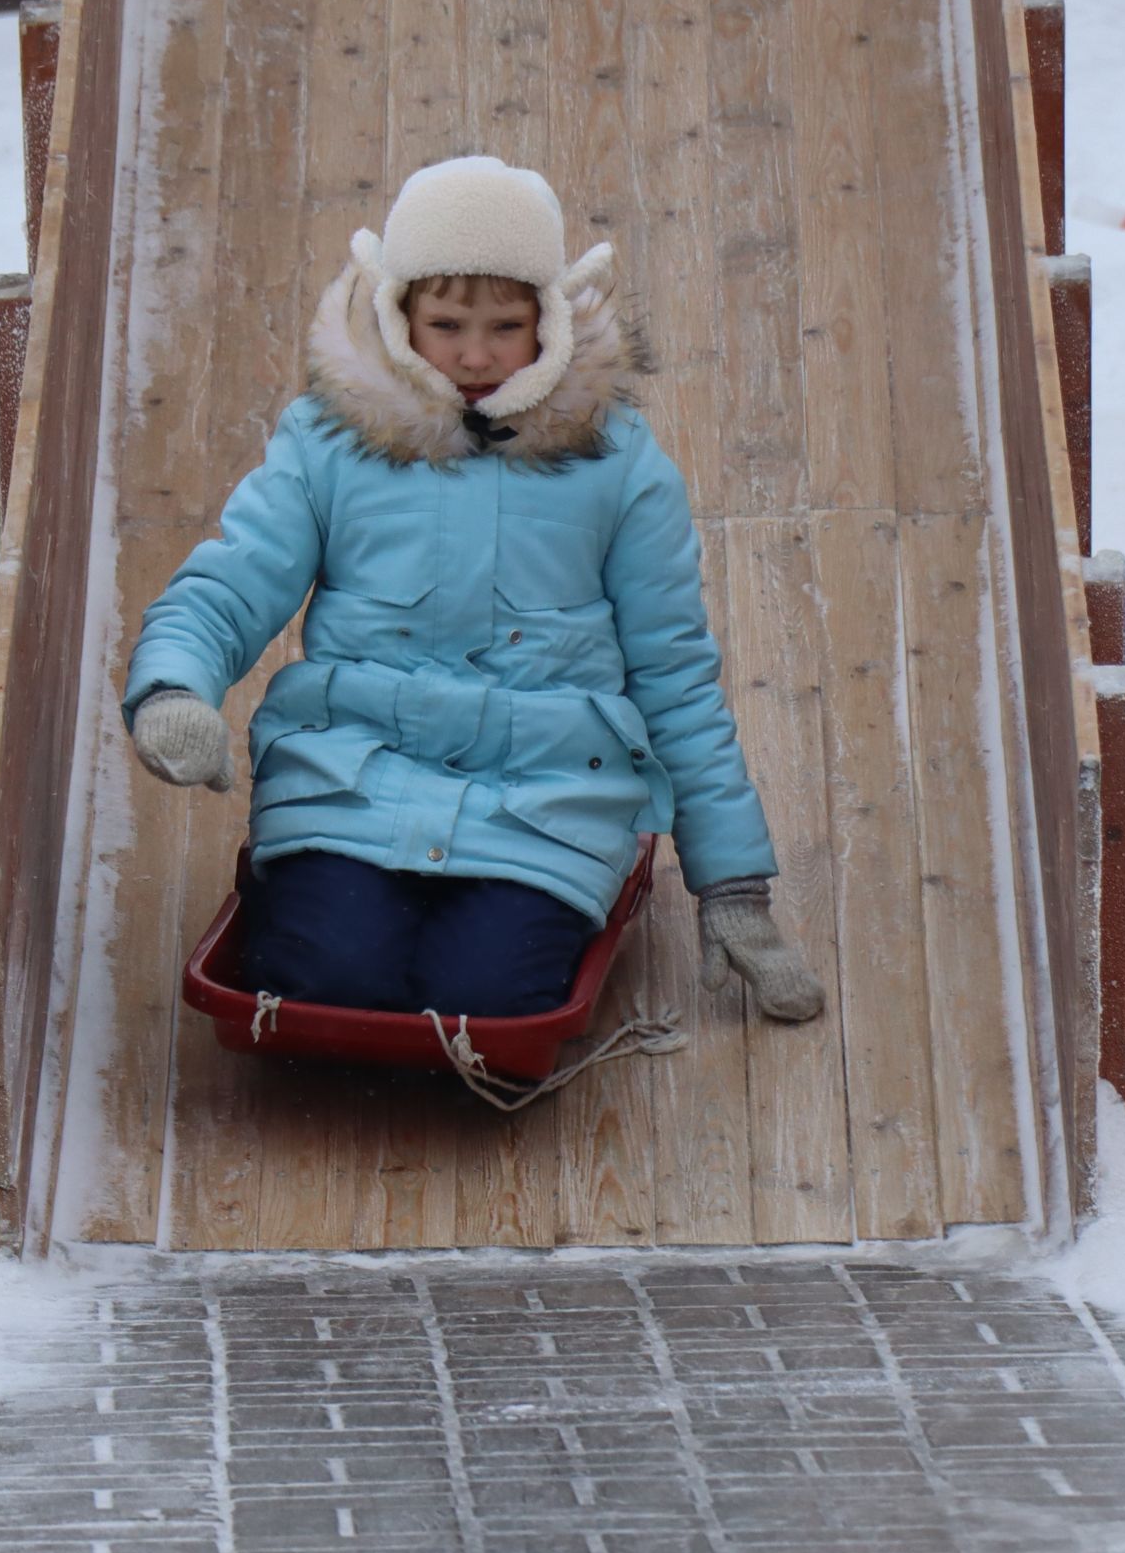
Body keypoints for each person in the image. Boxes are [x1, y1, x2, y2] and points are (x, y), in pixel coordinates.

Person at [123, 156, 823, 1025]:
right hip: (351, 779)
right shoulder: (328, 446)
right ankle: (322, 911)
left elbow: (674, 677)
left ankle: (527, 926)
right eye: (446, 323)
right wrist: (172, 687)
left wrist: (733, 886)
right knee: (324, 978)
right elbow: (232, 583)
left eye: (507, 325)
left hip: (546, 801)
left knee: (485, 1002)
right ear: (398, 313)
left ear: (551, 319)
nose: (477, 354)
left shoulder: (619, 465)